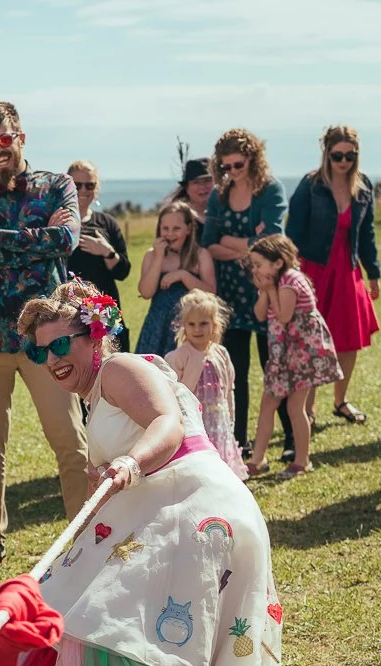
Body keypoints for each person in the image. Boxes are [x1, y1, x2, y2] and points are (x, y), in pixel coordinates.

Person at [14, 279, 293, 666]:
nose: (50, 360)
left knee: (108, 619)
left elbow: (166, 424)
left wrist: (132, 462)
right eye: (37, 351)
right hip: (165, 510)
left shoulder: (122, 369)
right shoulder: (93, 395)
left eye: (59, 346)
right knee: (75, 603)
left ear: (94, 336)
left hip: (198, 510)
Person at [0, 100, 88, 577]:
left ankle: (82, 534)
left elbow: (65, 240)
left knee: (70, 439)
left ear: (21, 136)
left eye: (4, 140)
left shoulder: (57, 185)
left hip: (46, 335)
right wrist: (26, 240)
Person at [286, 125, 381, 425]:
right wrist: (291, 275)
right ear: (326, 154)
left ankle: (340, 401)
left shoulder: (364, 186)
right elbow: (293, 231)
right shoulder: (311, 185)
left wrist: (374, 273)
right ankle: (308, 409)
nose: (344, 161)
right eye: (337, 155)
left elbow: (367, 234)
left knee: (350, 341)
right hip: (313, 270)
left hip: (348, 270)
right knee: (314, 341)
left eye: (350, 155)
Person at [203, 129, 288, 453]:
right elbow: (209, 243)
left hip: (266, 291)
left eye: (237, 164)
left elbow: (272, 245)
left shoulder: (270, 190)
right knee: (234, 373)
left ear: (253, 159)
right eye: (225, 167)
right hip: (230, 296)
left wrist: (230, 242)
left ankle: (291, 440)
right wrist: (248, 247)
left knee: (276, 367)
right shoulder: (219, 195)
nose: (231, 172)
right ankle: (238, 441)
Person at [245, 235, 342, 479]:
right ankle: (258, 460)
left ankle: (301, 461)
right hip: (283, 351)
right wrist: (265, 291)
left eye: (258, 264)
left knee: (295, 406)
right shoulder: (275, 282)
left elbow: (284, 316)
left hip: (300, 351)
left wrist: (269, 290)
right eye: (253, 265)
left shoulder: (290, 280)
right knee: (269, 404)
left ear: (277, 262)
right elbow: (259, 314)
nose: (255, 269)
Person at [166, 289, 247, 478]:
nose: (197, 329)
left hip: (218, 423)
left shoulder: (221, 354)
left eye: (203, 323)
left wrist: (231, 419)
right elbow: (171, 394)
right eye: (191, 324)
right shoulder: (178, 357)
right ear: (183, 326)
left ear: (215, 325)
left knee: (220, 466)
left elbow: (229, 390)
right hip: (193, 422)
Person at [63, 161, 131, 349]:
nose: (83, 190)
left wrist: (106, 251)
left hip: (104, 315)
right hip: (67, 313)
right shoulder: (57, 223)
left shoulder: (107, 223)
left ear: (96, 188)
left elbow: (123, 272)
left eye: (89, 185)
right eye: (77, 185)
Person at [134, 201, 215, 357]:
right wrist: (158, 258)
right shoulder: (151, 255)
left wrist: (183, 275)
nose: (170, 234)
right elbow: (146, 292)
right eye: (165, 229)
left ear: (188, 229)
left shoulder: (200, 255)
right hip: (158, 325)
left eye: (176, 228)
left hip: (191, 327)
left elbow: (211, 292)